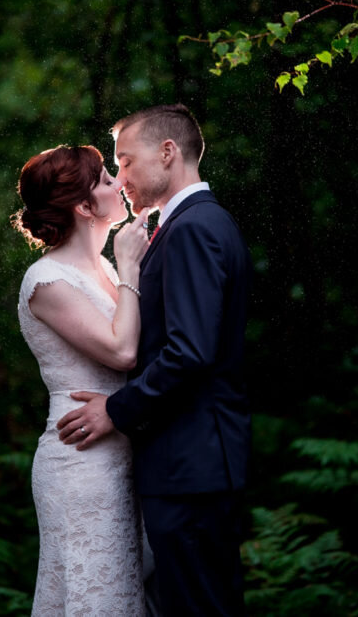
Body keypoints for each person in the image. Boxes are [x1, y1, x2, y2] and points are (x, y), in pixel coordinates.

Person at [57, 104, 252, 616]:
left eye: (126, 161)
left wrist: (115, 409)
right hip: (194, 463)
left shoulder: (192, 229)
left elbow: (189, 353)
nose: (121, 179)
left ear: (168, 153)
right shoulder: (200, 222)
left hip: (190, 465)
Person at [13, 144, 153, 615]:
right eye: (105, 180)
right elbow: (122, 350)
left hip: (122, 449)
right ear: (83, 205)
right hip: (80, 463)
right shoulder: (47, 280)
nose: (119, 182)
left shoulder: (104, 270)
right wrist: (132, 266)